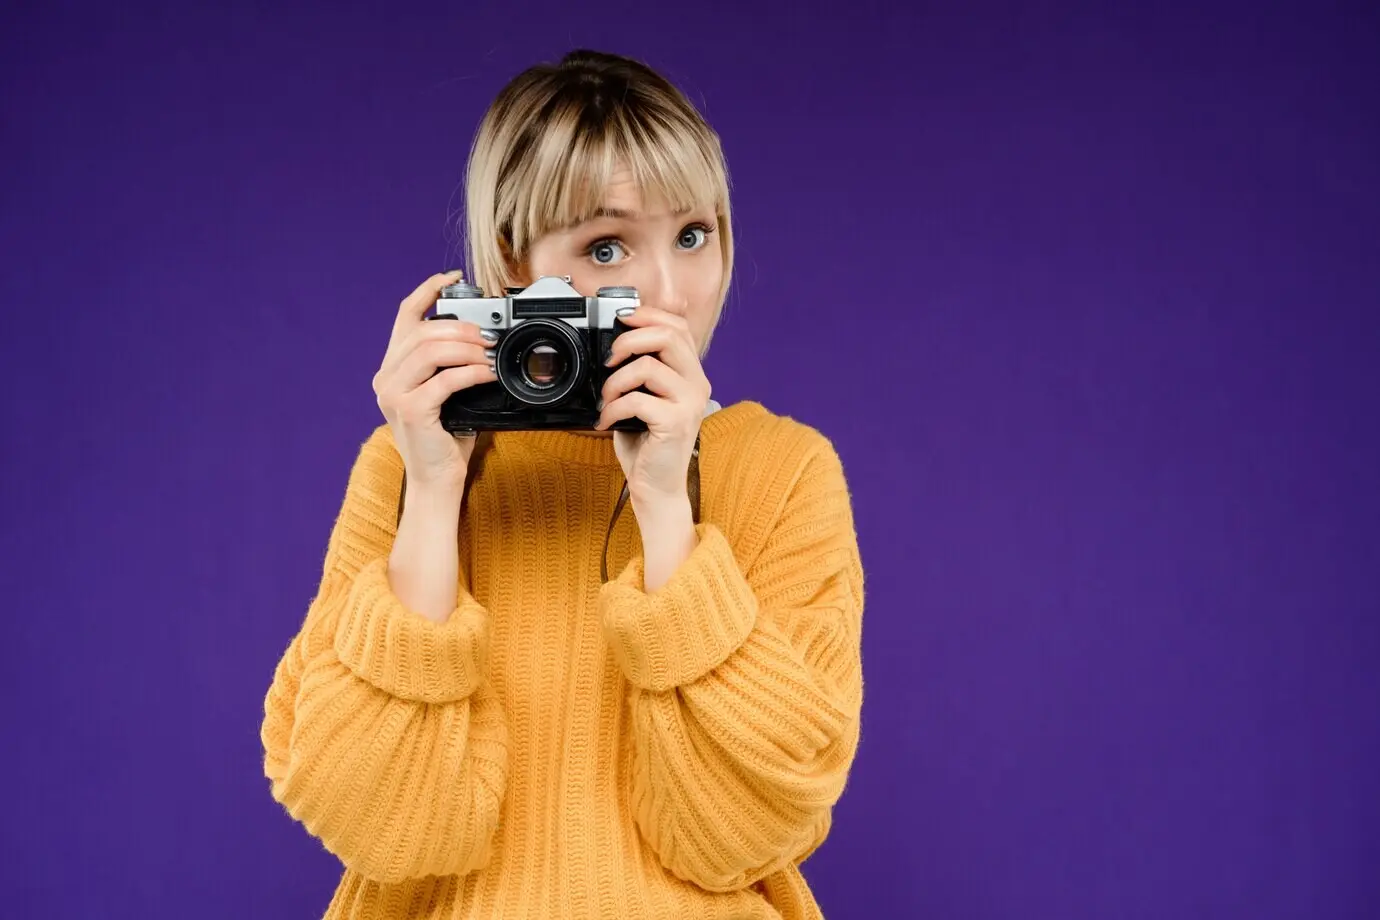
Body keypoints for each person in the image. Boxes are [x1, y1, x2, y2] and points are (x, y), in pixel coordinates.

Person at [260, 48, 865, 920]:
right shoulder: (406, 466)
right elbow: (379, 825)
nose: (667, 291)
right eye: (607, 245)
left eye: (693, 234)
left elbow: (744, 828)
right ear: (514, 263)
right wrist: (432, 493)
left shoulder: (782, 470)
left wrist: (666, 507)